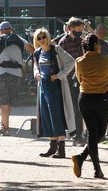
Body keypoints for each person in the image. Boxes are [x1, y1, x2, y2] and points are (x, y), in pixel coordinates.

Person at [72, 34, 108, 179]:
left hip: (84, 98)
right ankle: (93, 167)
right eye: (99, 44)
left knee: (92, 133)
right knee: (99, 134)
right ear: (96, 45)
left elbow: (80, 78)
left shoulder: (79, 61)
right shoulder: (106, 60)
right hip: (101, 98)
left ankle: (86, 161)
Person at [0, 21, 34, 136]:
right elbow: (32, 49)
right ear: (11, 29)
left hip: (2, 73)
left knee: (3, 102)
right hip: (17, 74)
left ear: (0, 30)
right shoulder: (20, 39)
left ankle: (5, 128)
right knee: (9, 101)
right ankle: (2, 125)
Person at [33, 28, 76, 159]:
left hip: (55, 87)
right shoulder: (37, 53)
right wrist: (37, 74)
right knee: (46, 114)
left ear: (47, 36)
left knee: (56, 115)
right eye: (39, 38)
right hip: (43, 86)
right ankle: (52, 145)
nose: (42, 40)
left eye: (43, 36)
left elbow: (71, 61)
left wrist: (60, 75)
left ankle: (61, 147)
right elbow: (36, 67)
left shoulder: (56, 49)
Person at [58, 17, 86, 146]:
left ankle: (79, 134)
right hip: (69, 78)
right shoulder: (64, 42)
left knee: (80, 106)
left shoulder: (81, 41)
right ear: (71, 28)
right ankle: (76, 136)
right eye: (78, 29)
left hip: (80, 77)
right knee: (74, 107)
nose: (80, 31)